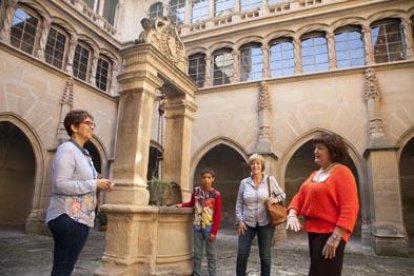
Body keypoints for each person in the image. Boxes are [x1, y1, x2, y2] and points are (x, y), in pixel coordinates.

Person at [45, 109, 113, 275]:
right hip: (67, 216)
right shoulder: (67, 149)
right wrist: (94, 183)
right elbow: (60, 184)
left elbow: (85, 178)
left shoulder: (84, 153)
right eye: (88, 123)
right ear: (74, 127)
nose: (92, 127)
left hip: (80, 218)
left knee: (67, 267)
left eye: (93, 124)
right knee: (62, 268)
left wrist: (101, 180)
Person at [286, 132, 359, 276]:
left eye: (320, 148)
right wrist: (292, 214)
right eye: (315, 148)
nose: (315, 151)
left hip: (330, 234)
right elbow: (299, 196)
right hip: (314, 232)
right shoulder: (315, 174)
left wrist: (336, 237)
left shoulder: (342, 172)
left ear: (332, 151)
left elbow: (350, 208)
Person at [235, 153, 286, 276]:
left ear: (262, 166)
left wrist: (276, 199)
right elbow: (239, 202)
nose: (255, 166)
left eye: (258, 163)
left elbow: (282, 195)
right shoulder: (244, 183)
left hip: (266, 223)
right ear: (250, 166)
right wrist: (239, 220)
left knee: (265, 255)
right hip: (246, 223)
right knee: (242, 253)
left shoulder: (270, 180)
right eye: (253, 163)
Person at [177, 168, 222, 276]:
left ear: (213, 179)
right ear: (201, 179)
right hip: (197, 227)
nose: (206, 180)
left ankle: (212, 274)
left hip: (209, 228)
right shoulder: (197, 191)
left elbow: (217, 214)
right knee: (197, 253)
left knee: (210, 253)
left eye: (209, 177)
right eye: (204, 177)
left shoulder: (216, 195)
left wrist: (214, 232)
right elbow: (192, 203)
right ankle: (197, 273)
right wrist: (182, 205)